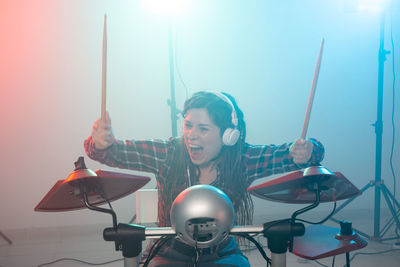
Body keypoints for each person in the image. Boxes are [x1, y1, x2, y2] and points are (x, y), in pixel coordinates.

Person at [84, 91, 324, 266]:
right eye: (188, 125)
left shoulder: (242, 159)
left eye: (203, 129)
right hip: (167, 251)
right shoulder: (169, 153)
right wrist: (102, 144)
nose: (191, 136)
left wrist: (309, 150)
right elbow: (112, 153)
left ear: (229, 136)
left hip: (223, 253)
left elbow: (298, 155)